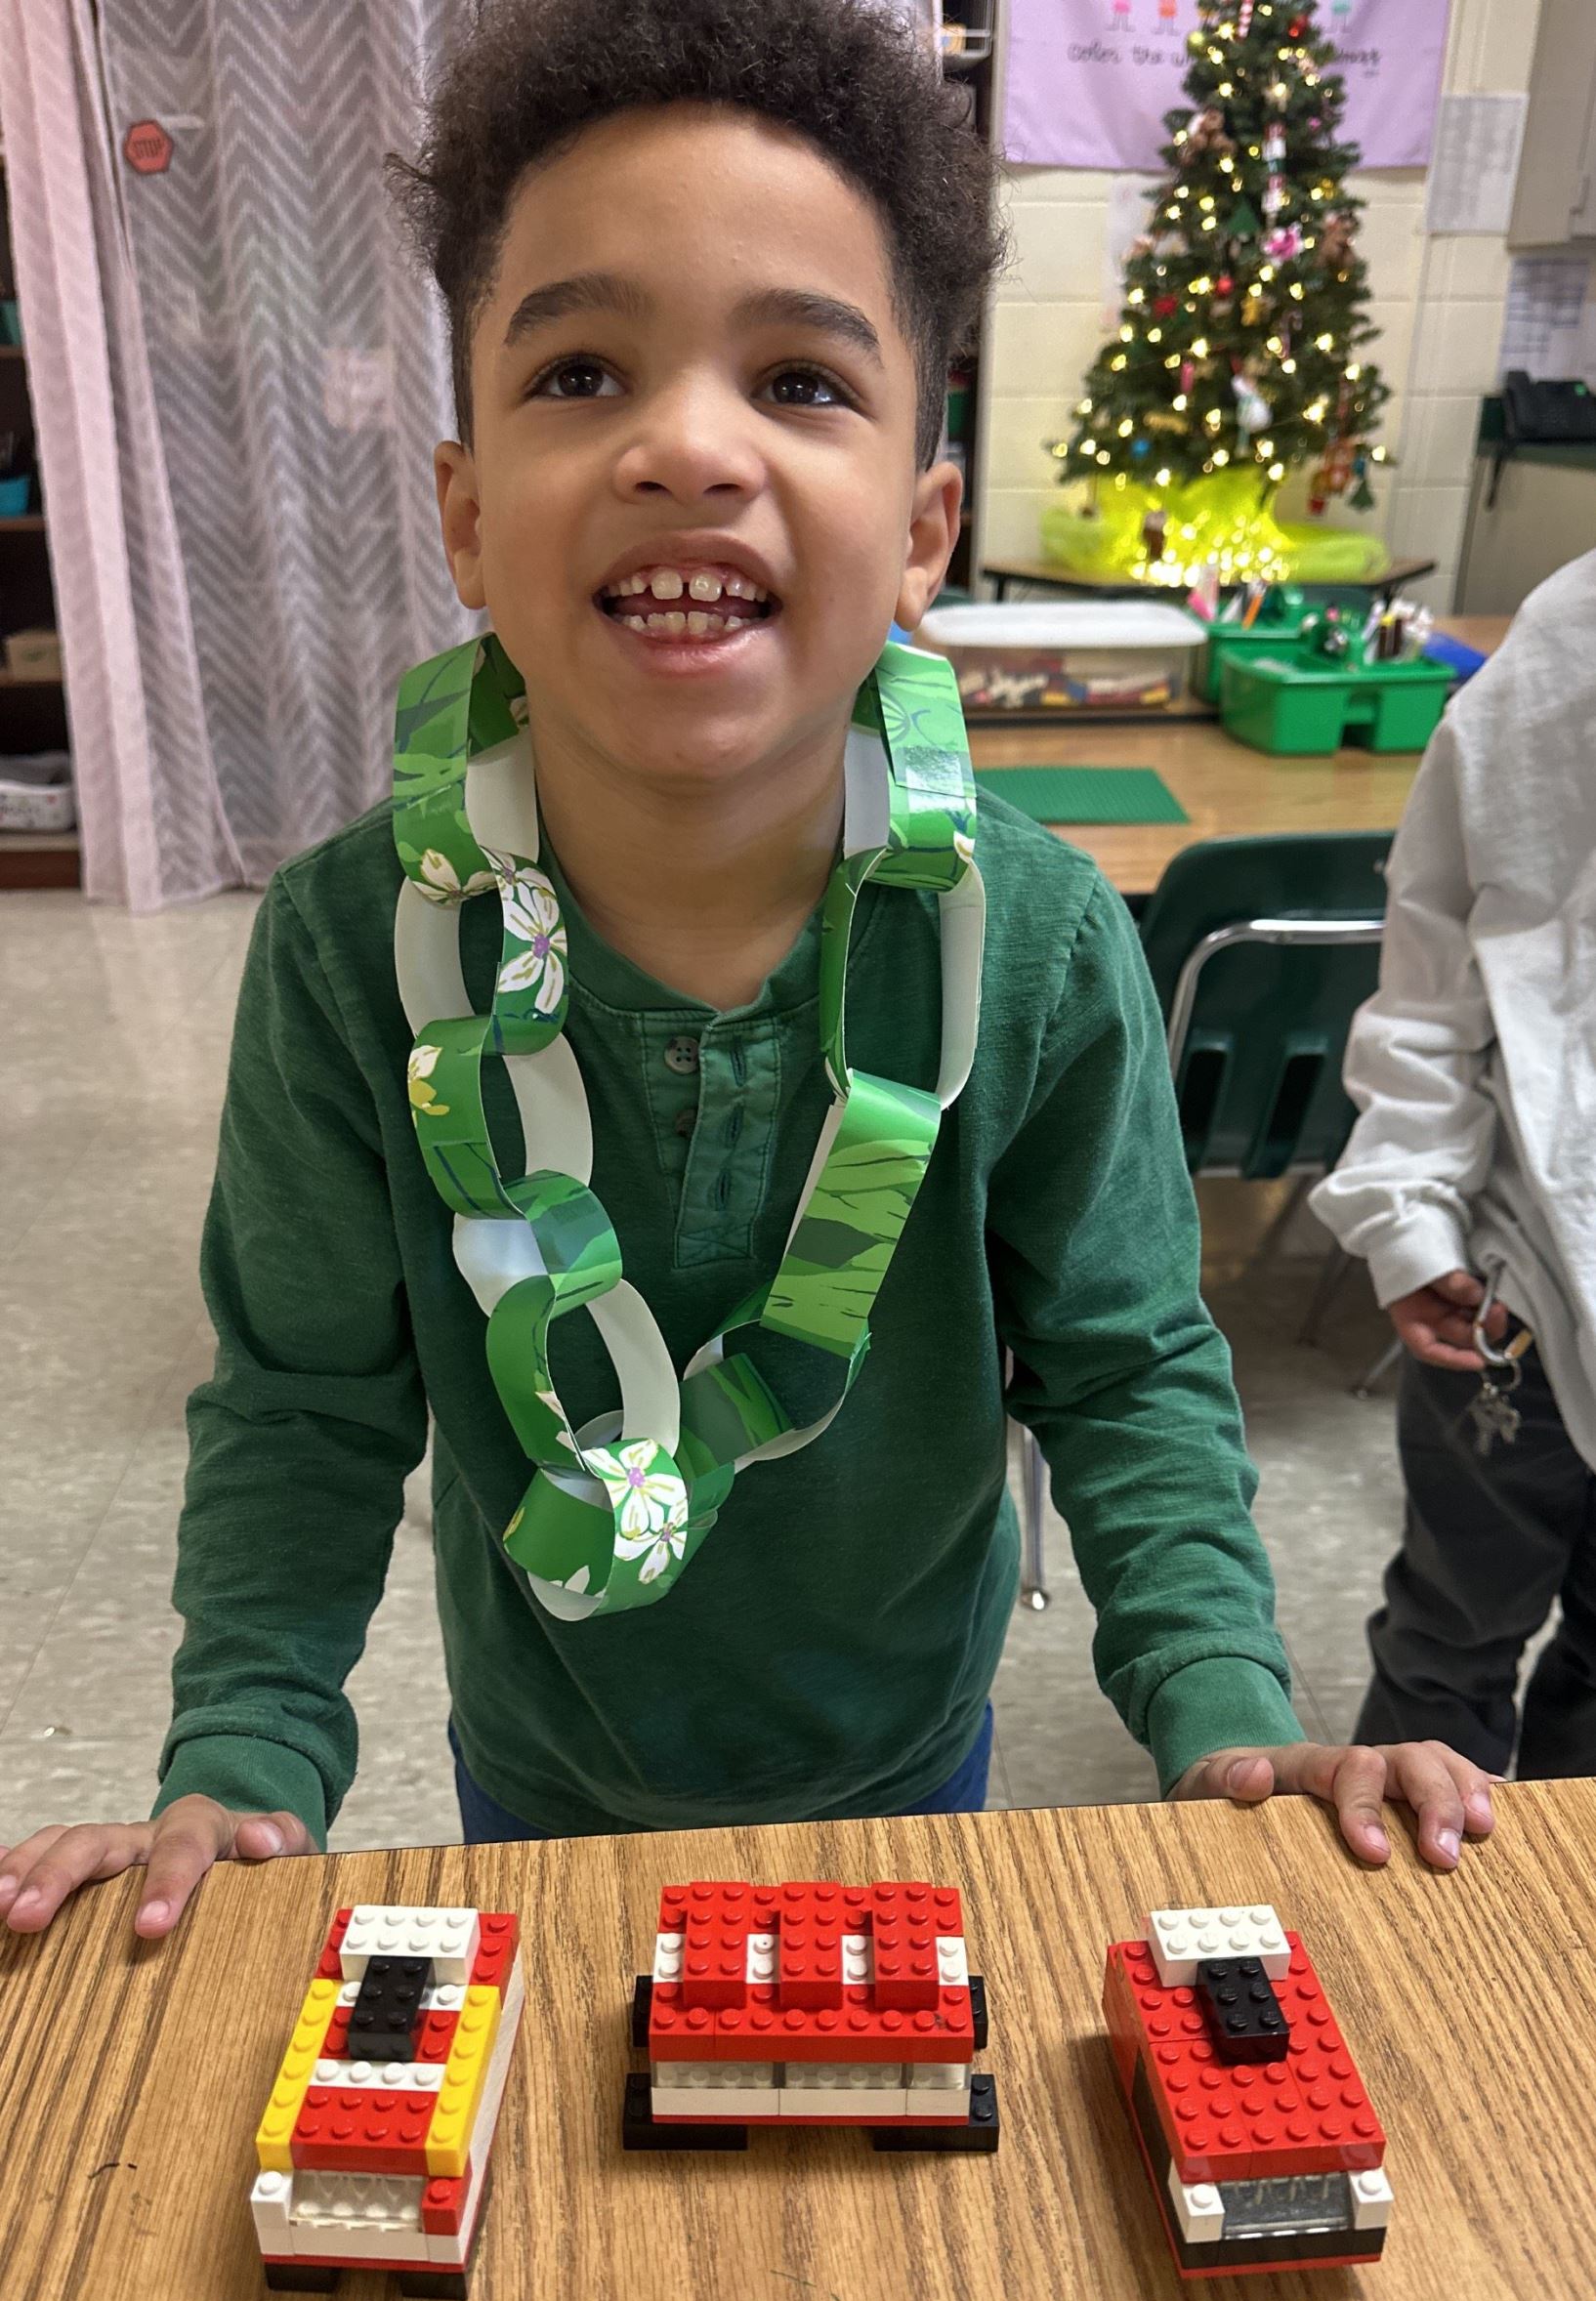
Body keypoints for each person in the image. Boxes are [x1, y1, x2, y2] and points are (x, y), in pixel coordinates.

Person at [0, 0, 1494, 1941]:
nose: (686, 444)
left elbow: (1125, 1366)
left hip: (908, 1759)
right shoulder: (356, 944)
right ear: (467, 516)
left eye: (797, 379)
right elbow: (304, 1403)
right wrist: (239, 1758)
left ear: (922, 533)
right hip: (544, 1765)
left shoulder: (1038, 939)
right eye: (580, 371)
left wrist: (1225, 1715)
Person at [1311, 548, 1596, 1777]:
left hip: (1512, 1272)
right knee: (1449, 1643)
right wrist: (1407, 1214)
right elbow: (1439, 954)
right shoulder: (1572, 634)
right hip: (1517, 1285)